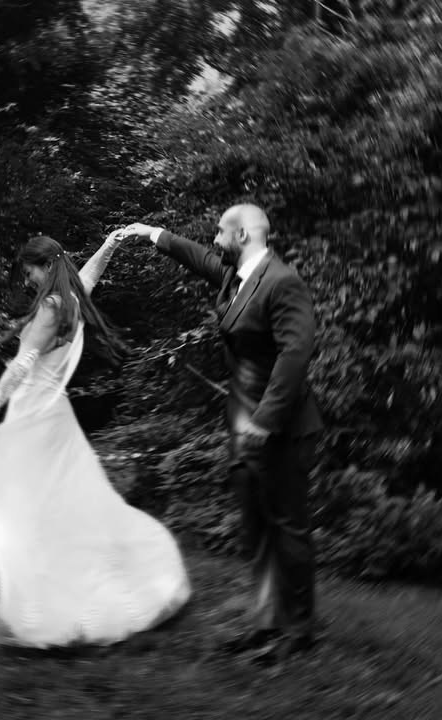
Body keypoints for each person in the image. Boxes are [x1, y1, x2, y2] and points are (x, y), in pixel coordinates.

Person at [0, 230, 190, 648]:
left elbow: (21, 365)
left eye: (29, 270)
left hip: (33, 414)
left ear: (46, 267)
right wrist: (110, 244)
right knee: (53, 502)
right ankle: (33, 585)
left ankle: (33, 600)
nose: (27, 278)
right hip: (56, 416)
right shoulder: (73, 299)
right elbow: (90, 275)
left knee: (2, 498)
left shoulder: (51, 306)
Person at [125, 205, 324, 663]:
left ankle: (299, 632)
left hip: (282, 427)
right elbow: (197, 256)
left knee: (288, 528)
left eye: (220, 231)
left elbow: (295, 354)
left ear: (242, 234)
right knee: (255, 530)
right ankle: (265, 623)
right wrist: (152, 233)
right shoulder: (234, 275)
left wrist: (265, 420)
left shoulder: (281, 282)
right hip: (242, 424)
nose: (214, 237)